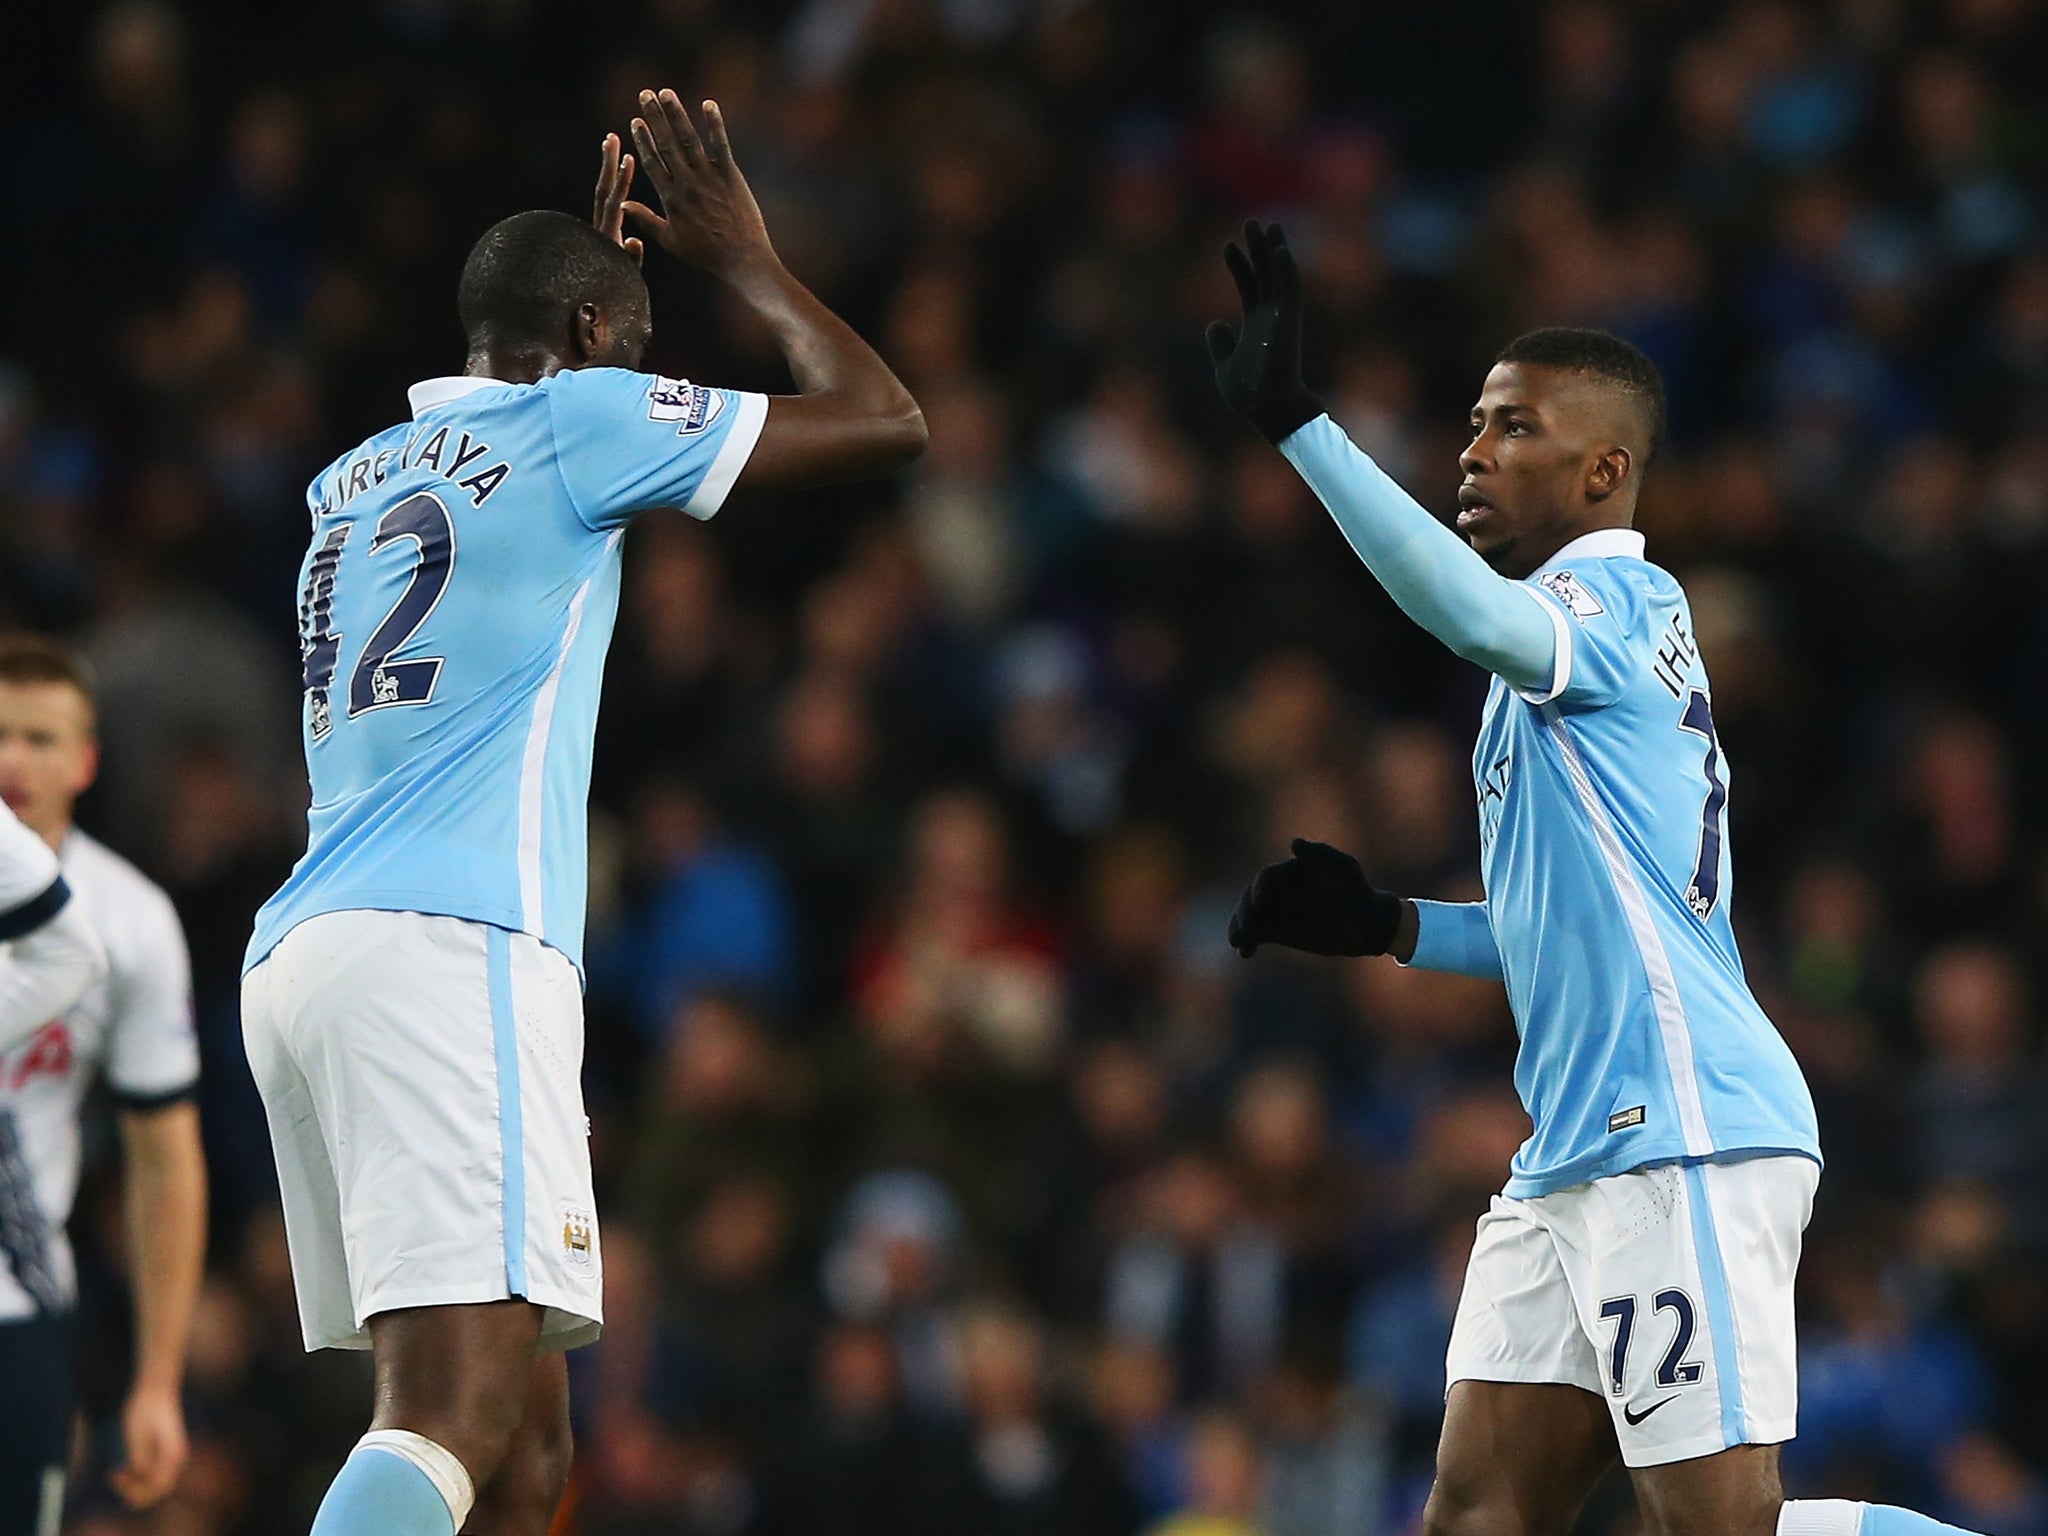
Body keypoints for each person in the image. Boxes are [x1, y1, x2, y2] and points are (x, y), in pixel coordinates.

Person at [1211, 220, 1977, 1536]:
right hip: (1576, 1151)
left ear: (1604, 468)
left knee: (1716, 1528)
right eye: (1472, 422)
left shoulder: (1620, 611)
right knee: (1475, 1518)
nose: (1473, 448)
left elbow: (1462, 610)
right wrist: (1395, 928)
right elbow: (1547, 936)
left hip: (1675, 1132)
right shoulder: (1550, 683)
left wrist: (1301, 428)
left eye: (1513, 426)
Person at [239, 90, 925, 1536]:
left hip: (312, 950)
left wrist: (593, 309)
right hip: (451, 942)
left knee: (530, 1451)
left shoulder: (345, 483)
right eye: (638, 349)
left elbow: (527, 434)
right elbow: (884, 422)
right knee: (449, 1412)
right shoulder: (584, 420)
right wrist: (745, 261)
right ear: (602, 344)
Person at [0, 633, 204, 1533]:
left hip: (20, 1310)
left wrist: (157, 1381)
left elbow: (164, 1159)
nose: (12, 760)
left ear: (85, 761)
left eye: (40, 738)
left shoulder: (130, 922)